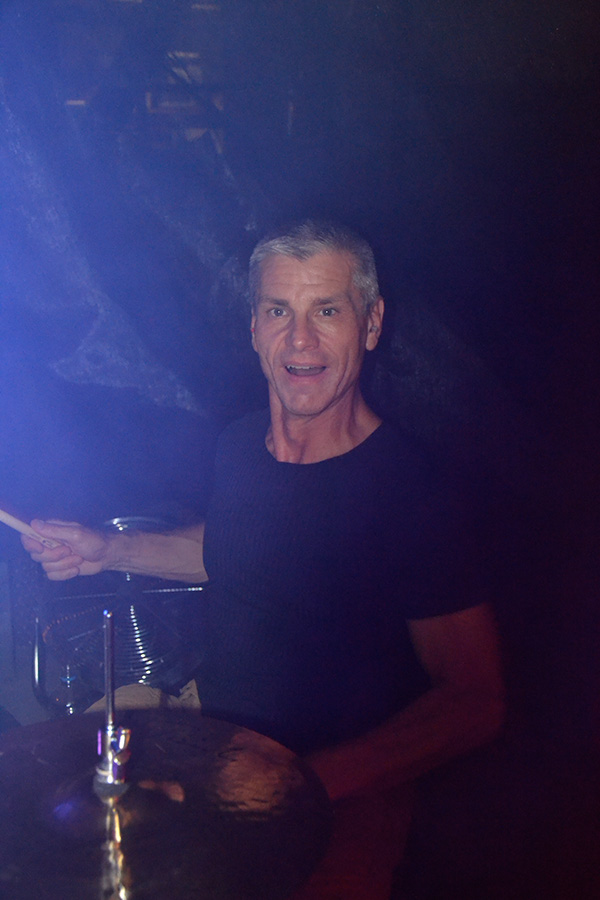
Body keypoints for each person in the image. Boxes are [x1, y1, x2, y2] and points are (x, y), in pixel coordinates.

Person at [23, 221, 504, 898]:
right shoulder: (243, 444)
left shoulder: (412, 492)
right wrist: (106, 549)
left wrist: (296, 780)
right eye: (280, 311)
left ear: (371, 324)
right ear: (254, 328)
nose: (300, 339)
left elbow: (475, 700)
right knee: (52, 815)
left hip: (343, 787)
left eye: (327, 311)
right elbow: (238, 549)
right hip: (212, 738)